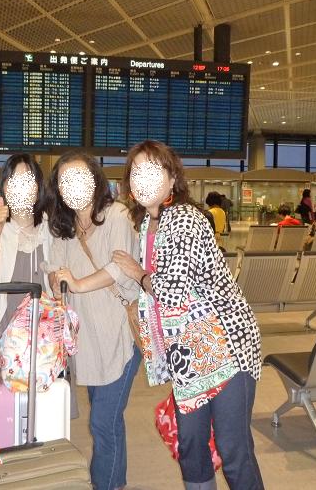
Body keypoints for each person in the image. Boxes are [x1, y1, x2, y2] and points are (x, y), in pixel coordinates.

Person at [111, 140, 263, 490]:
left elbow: (171, 291)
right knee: (192, 446)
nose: (143, 178)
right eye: (136, 172)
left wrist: (137, 273)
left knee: (233, 449)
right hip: (190, 356)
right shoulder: (146, 226)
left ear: (172, 179)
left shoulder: (184, 218)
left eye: (153, 171)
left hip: (229, 347)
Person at [48, 151, 141, 490]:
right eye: (64, 181)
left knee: (102, 421)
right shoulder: (63, 226)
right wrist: (57, 284)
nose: (72, 186)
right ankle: (116, 480)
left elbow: (119, 268)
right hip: (87, 341)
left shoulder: (116, 215)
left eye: (79, 177)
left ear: (95, 180)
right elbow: (54, 270)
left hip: (120, 335)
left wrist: (77, 283)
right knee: (107, 420)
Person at [0, 154, 52, 374]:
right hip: (3, 329)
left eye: (27, 181)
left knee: (47, 391)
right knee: (3, 393)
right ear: (4, 188)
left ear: (37, 187)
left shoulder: (50, 226)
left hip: (45, 333)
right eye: (14, 181)